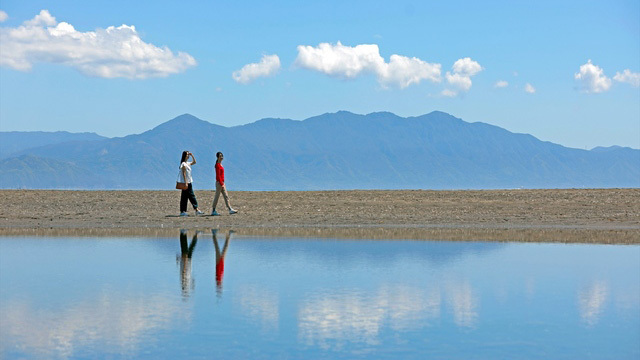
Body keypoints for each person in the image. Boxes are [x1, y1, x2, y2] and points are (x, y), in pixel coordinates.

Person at [179, 150, 204, 216]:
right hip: (186, 183)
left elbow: (194, 162)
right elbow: (184, 173)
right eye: (187, 155)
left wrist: (192, 155)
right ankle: (194, 210)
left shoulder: (188, 163)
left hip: (189, 182)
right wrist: (185, 182)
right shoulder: (183, 164)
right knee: (190, 196)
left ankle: (187, 210)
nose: (188, 156)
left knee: (187, 196)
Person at [212, 229, 232, 298]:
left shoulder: (218, 279)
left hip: (219, 263)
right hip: (221, 264)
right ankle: (229, 235)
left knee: (218, 248)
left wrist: (219, 264)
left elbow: (218, 272)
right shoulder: (219, 279)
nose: (221, 285)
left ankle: (214, 234)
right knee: (224, 248)